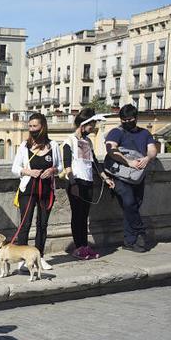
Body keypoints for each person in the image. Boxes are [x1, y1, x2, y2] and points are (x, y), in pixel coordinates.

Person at [11, 113, 63, 270]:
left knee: (43, 224)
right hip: (28, 190)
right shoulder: (24, 146)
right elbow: (15, 168)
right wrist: (28, 172)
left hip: (47, 190)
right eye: (30, 126)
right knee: (25, 224)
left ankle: (39, 257)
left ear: (43, 127)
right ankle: (22, 259)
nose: (32, 129)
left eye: (35, 126)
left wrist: (53, 170)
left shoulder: (53, 145)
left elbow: (60, 167)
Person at [62, 108, 116, 260]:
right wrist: (73, 183)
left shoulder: (88, 142)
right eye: (91, 124)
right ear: (83, 124)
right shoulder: (69, 141)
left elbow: (95, 163)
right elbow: (67, 164)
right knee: (77, 215)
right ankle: (79, 247)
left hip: (88, 181)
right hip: (75, 182)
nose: (93, 128)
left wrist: (105, 178)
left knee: (84, 216)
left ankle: (85, 246)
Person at [105, 104, 159, 253]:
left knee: (133, 205)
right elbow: (111, 149)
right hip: (119, 175)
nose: (127, 122)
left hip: (137, 176)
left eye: (130, 119)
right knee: (129, 202)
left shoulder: (145, 133)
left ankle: (130, 241)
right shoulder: (116, 132)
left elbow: (153, 149)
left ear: (136, 118)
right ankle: (140, 232)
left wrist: (148, 158)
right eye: (124, 120)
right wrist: (128, 162)